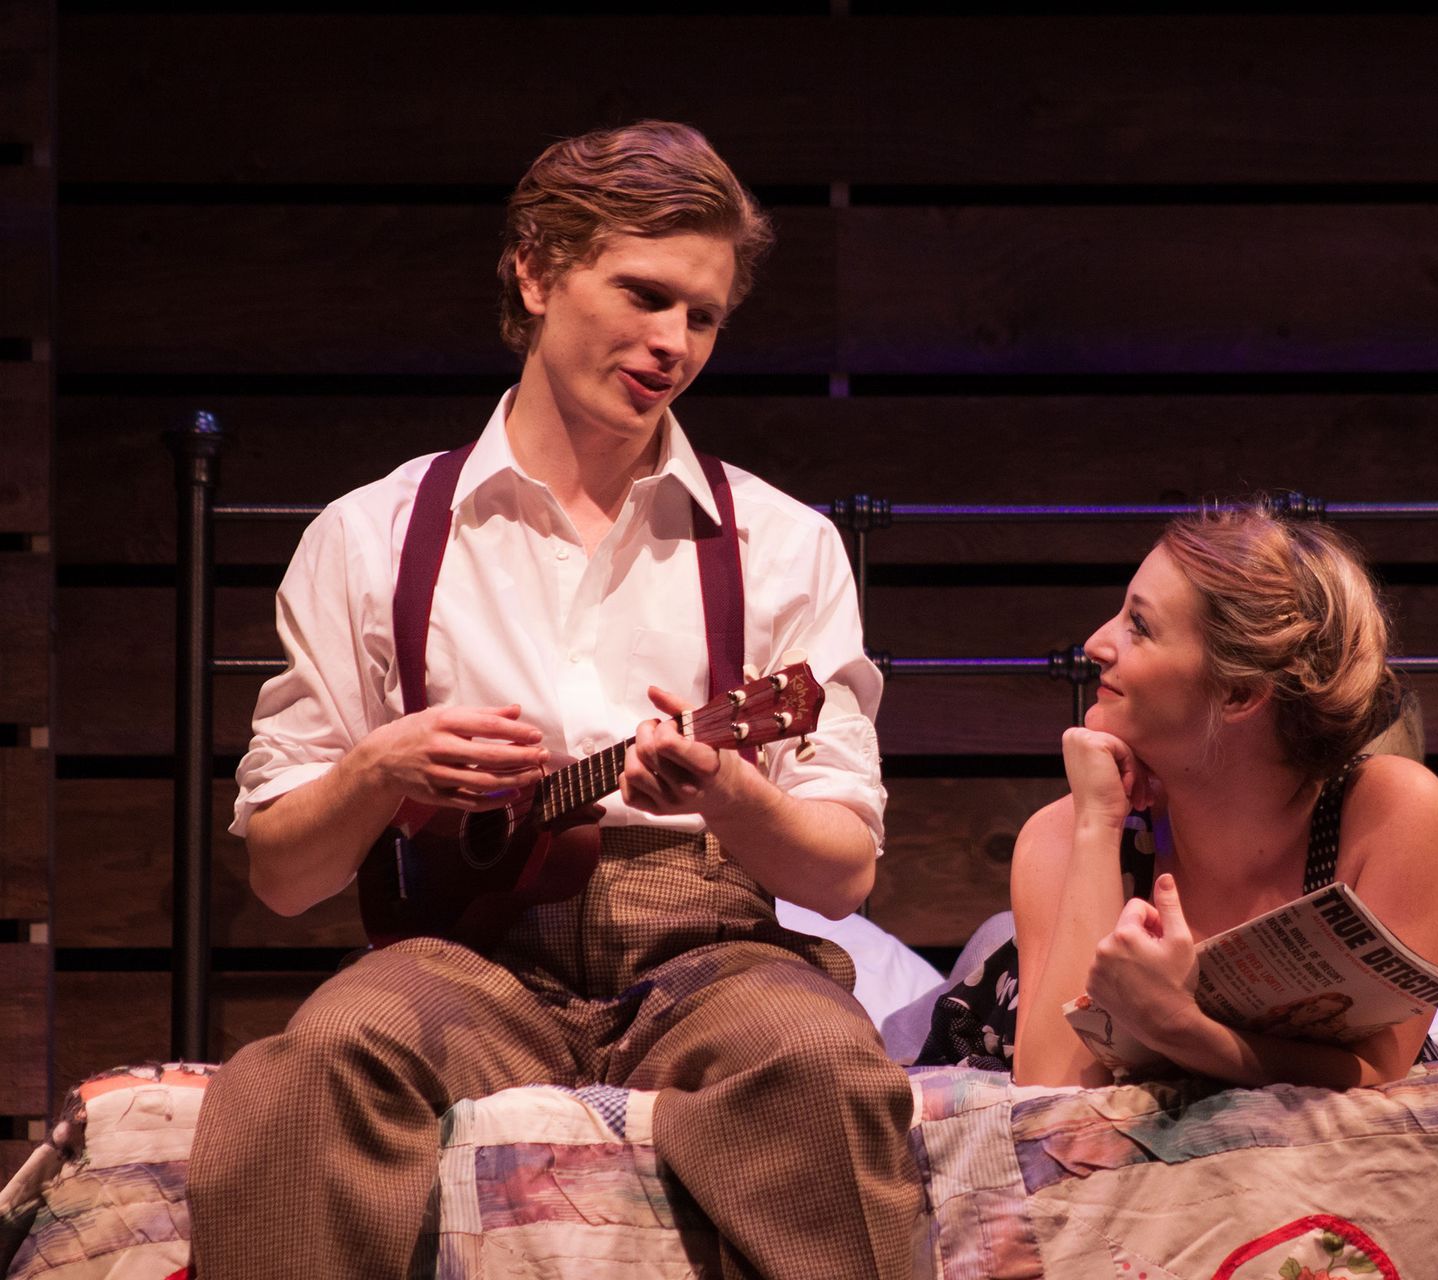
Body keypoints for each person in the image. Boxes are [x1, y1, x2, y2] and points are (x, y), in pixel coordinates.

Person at [186, 121, 921, 1280]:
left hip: (709, 954)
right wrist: (380, 768)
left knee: (822, 1065)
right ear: (535, 272)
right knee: (314, 1065)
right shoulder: (373, 537)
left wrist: (731, 795)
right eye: (645, 294)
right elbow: (283, 874)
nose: (674, 341)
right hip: (466, 957)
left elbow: (842, 875)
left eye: (704, 316)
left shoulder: (783, 546)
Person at [918, 508, 1438, 1089]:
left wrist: (1179, 1028)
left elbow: (1380, 1070)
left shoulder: (1387, 813)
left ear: (1240, 693)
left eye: (1140, 625)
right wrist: (1098, 823)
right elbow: (1054, 1094)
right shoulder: (1065, 831)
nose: (1095, 644)